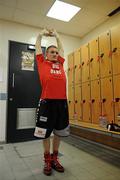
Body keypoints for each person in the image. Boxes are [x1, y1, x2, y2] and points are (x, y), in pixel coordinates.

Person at [34, 28, 70, 176]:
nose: (55, 54)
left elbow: (61, 48)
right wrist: (40, 35)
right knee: (45, 134)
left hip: (61, 103)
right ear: (46, 54)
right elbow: (37, 46)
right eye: (52, 52)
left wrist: (57, 35)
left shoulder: (60, 64)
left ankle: (55, 158)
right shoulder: (42, 63)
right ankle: (47, 160)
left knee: (59, 132)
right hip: (46, 103)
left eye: (56, 52)